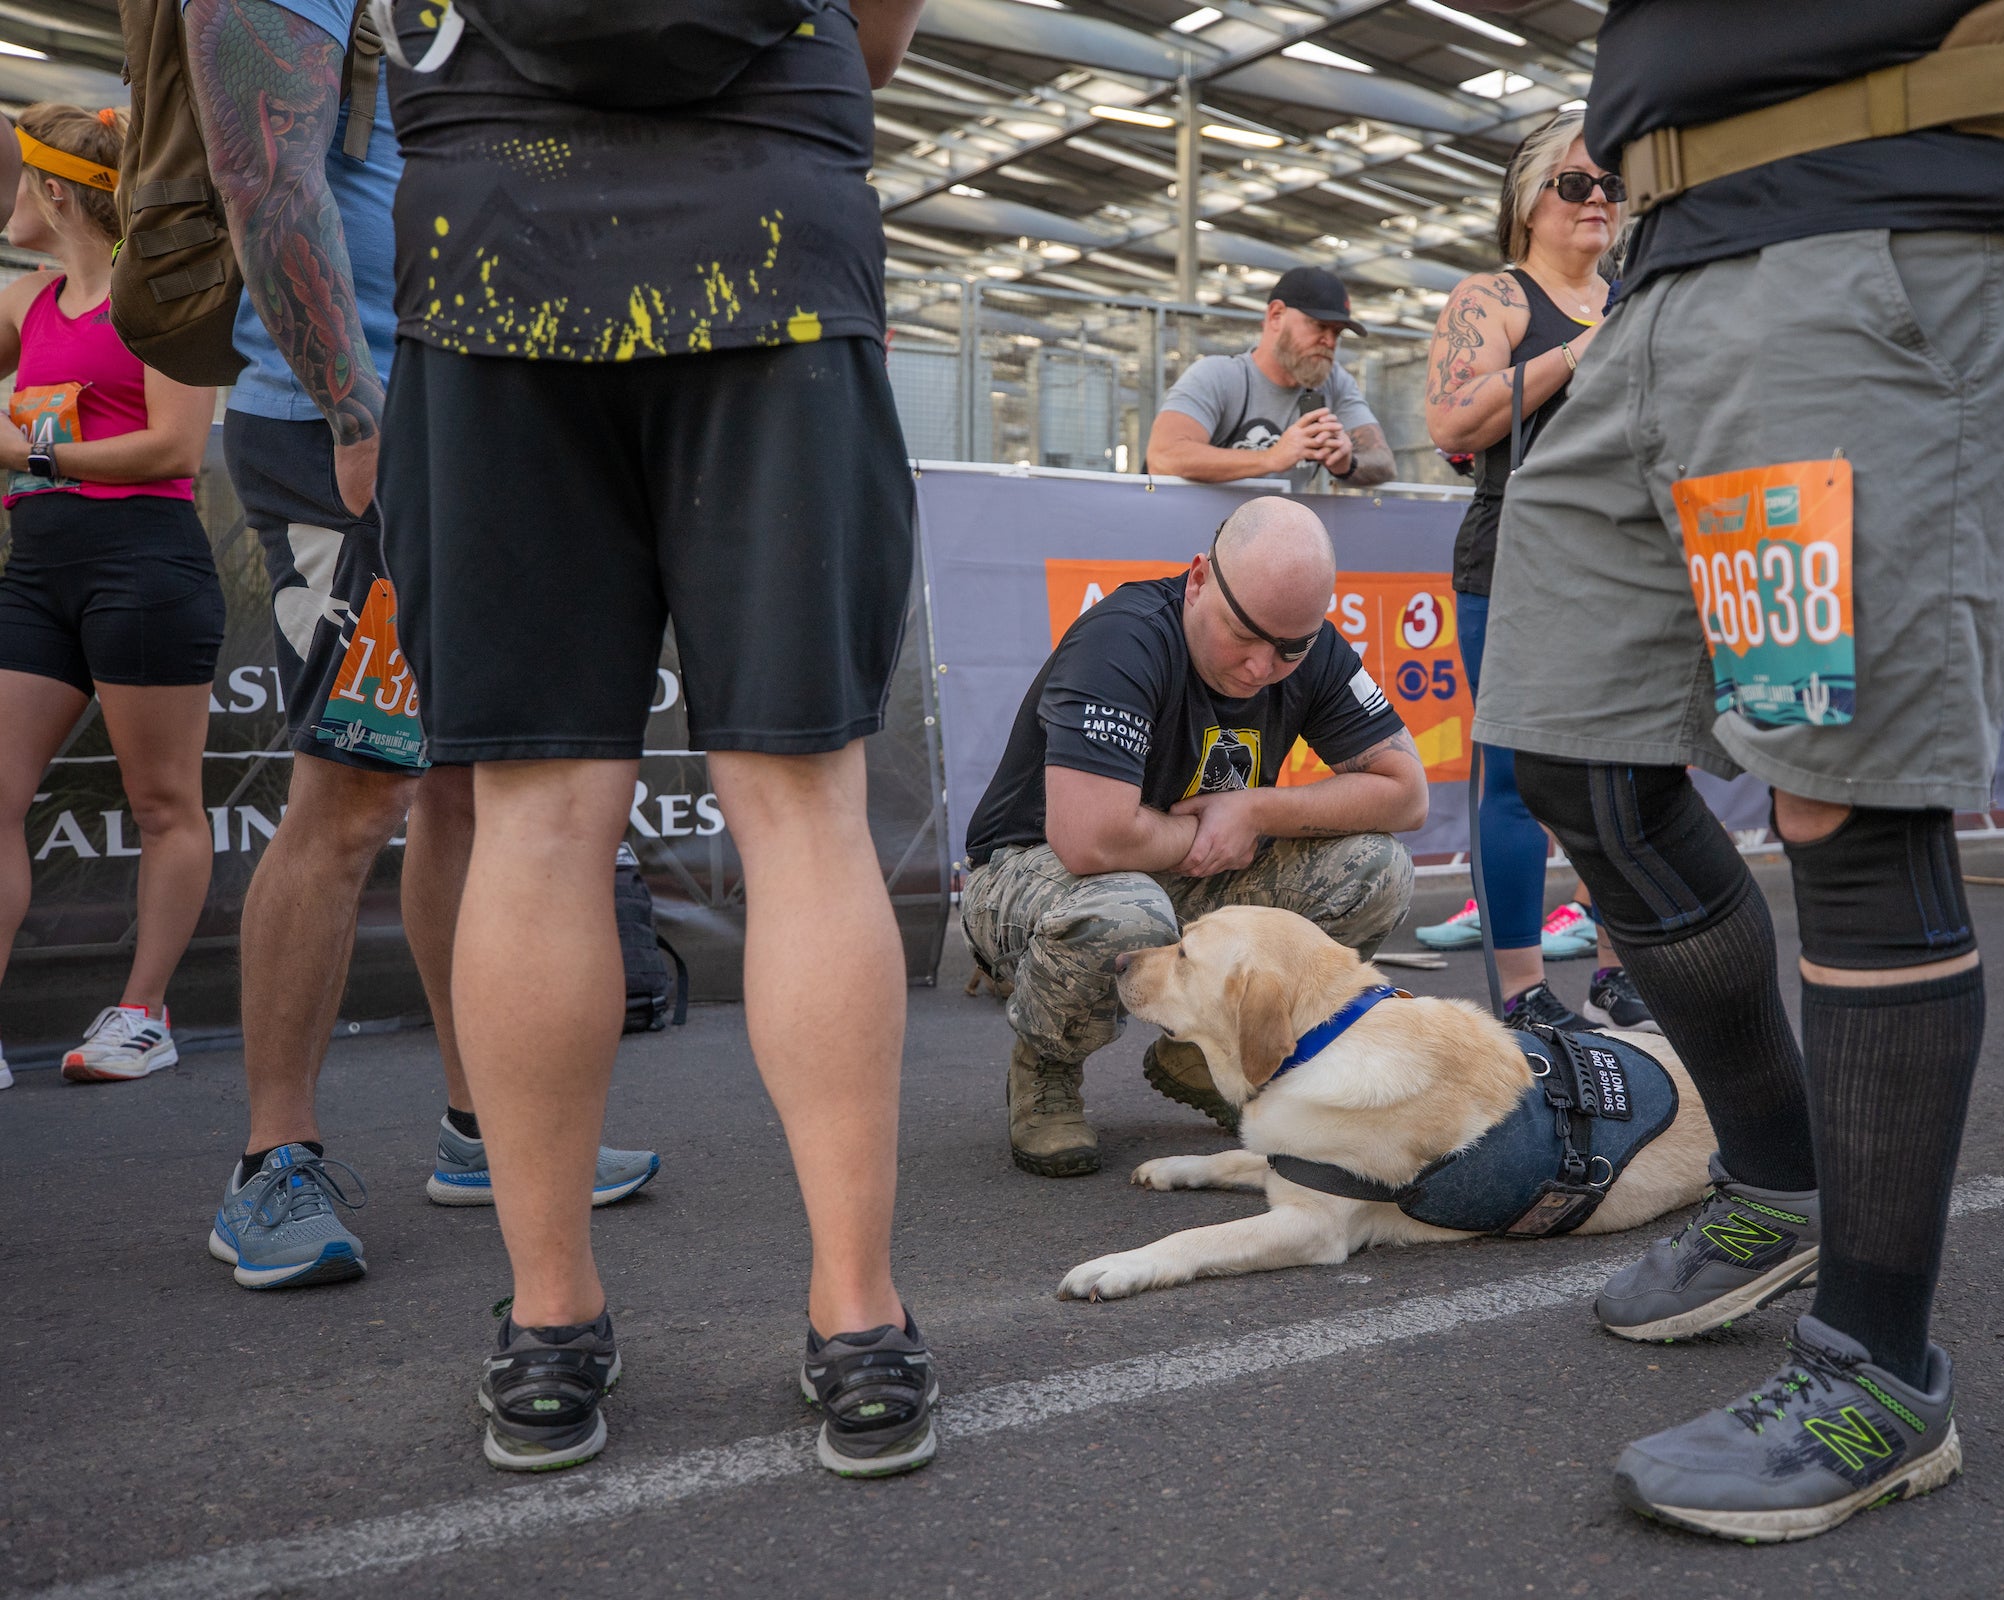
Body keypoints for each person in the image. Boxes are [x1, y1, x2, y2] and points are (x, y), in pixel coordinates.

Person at [1462, 0, 2004, 1542]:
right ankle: (1778, 1185)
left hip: (1881, 219)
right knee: (1569, 751)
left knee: (1847, 796)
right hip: (1671, 272)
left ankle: (1879, 1372)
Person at [374, 0, 937, 1477]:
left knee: (538, 811)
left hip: (490, 241)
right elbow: (873, 37)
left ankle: (552, 1324)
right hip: (776, 232)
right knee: (804, 809)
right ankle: (859, 1318)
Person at [181, 0, 658, 1295]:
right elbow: (258, 165)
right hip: (355, 421)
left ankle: (480, 1126)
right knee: (351, 789)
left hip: (479, 404)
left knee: (467, 780)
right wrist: (352, 404)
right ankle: (272, 1156)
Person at [960, 498, 1426, 1176]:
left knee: (1376, 871)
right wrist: (1202, 835)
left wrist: (1256, 812)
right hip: (1034, 870)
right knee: (1124, 912)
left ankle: (1206, 1046)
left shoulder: (1310, 648)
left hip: (1174, 865)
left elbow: (1405, 793)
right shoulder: (1125, 638)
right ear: (1200, 578)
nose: (1262, 666)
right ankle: (1047, 1066)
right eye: (1245, 635)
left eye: (1289, 647)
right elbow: (1089, 838)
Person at [1415, 108, 1653, 1035]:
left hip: (1625, 561)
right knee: (1513, 777)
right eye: (1575, 183)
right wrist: (1577, 351)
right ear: (1528, 200)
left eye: (1611, 186)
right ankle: (1520, 992)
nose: (1597, 200)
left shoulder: (1637, 293)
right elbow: (1452, 424)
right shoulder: (1496, 297)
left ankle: (1616, 968)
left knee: (1624, 774)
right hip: (1516, 554)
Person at [0, 104, 216, 1090]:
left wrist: (33, 451)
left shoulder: (163, 295)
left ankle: (143, 1011)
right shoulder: (28, 303)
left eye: (14, 178)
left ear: (52, 192)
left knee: (163, 800)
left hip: (143, 563)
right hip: (39, 569)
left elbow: (176, 446)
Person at [1144, 267, 1397, 490]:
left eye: (1337, 332)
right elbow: (1163, 457)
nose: (1330, 341)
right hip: (1197, 534)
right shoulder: (1218, 375)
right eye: (1319, 326)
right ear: (1276, 315)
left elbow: (1384, 463)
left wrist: (1347, 463)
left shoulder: (1335, 383)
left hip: (1275, 536)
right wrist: (1271, 458)